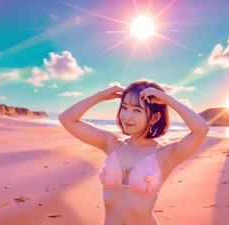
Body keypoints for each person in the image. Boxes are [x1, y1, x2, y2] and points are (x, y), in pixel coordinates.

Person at [58, 80, 209, 225]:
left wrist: (168, 100)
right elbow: (66, 119)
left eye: (137, 110)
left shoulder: (165, 154)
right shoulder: (111, 143)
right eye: (124, 107)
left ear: (155, 117)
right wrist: (101, 96)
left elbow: (201, 130)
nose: (127, 116)